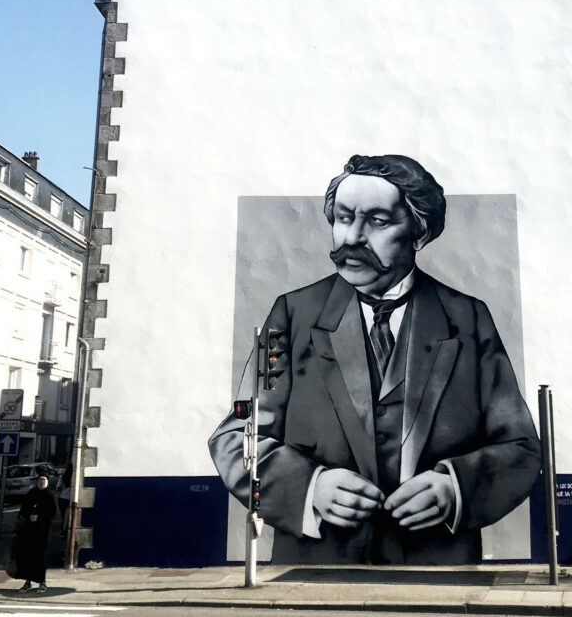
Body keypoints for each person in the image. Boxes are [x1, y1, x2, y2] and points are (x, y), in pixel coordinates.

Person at [209, 154, 541, 564]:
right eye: (344, 218)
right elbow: (236, 436)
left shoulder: (467, 319)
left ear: (418, 233)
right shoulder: (291, 316)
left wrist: (456, 488)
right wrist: (311, 488)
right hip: (314, 570)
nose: (353, 237)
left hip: (437, 571)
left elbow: (522, 447)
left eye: (378, 222)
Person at [14, 475, 56, 593]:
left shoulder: (49, 496)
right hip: (29, 529)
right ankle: (27, 582)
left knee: (40, 556)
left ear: (47, 482)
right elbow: (23, 509)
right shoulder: (31, 494)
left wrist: (39, 517)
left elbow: (52, 513)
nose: (42, 482)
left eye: (44, 480)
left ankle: (42, 582)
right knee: (28, 555)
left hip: (42, 530)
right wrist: (29, 516)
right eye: (40, 480)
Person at [55, 464, 72, 538]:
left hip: (61, 499)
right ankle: (64, 531)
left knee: (63, 517)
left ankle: (63, 531)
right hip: (69, 499)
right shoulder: (74, 478)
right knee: (67, 517)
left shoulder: (62, 477)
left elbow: (58, 488)